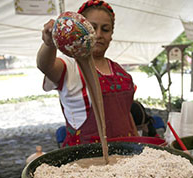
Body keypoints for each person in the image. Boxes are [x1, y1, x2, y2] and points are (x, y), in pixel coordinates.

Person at [37, 0, 138, 146]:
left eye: (105, 29)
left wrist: (138, 143)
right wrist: (48, 43)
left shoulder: (121, 73)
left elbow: (126, 115)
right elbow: (45, 66)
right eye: (92, 28)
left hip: (126, 155)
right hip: (83, 158)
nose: (98, 34)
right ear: (78, 30)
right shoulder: (70, 66)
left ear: (111, 35)